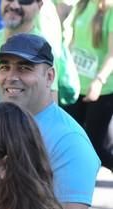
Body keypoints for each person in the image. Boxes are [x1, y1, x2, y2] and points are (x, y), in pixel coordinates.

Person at [0, 33, 100, 209]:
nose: (11, 76)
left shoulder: (70, 142)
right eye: (5, 67)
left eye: (24, 68)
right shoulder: (0, 121)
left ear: (49, 77)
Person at [0, 0, 62, 101]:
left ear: (39, 5)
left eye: (24, 1)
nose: (14, 5)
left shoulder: (42, 48)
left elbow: (50, 108)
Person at [63, 0, 113, 171]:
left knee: (97, 149)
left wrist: (99, 81)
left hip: (101, 90)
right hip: (76, 87)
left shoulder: (110, 10)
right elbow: (72, 43)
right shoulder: (81, 5)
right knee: (71, 141)